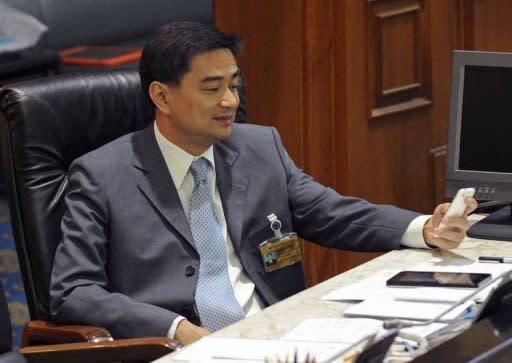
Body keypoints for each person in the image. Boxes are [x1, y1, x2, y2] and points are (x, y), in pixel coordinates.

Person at [49, 21, 477, 346]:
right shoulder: (102, 175)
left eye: (234, 85)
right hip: (178, 348)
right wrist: (178, 330)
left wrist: (423, 228)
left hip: (279, 336)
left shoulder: (259, 147)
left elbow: (330, 212)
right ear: (162, 97)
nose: (231, 102)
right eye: (212, 88)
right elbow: (74, 292)